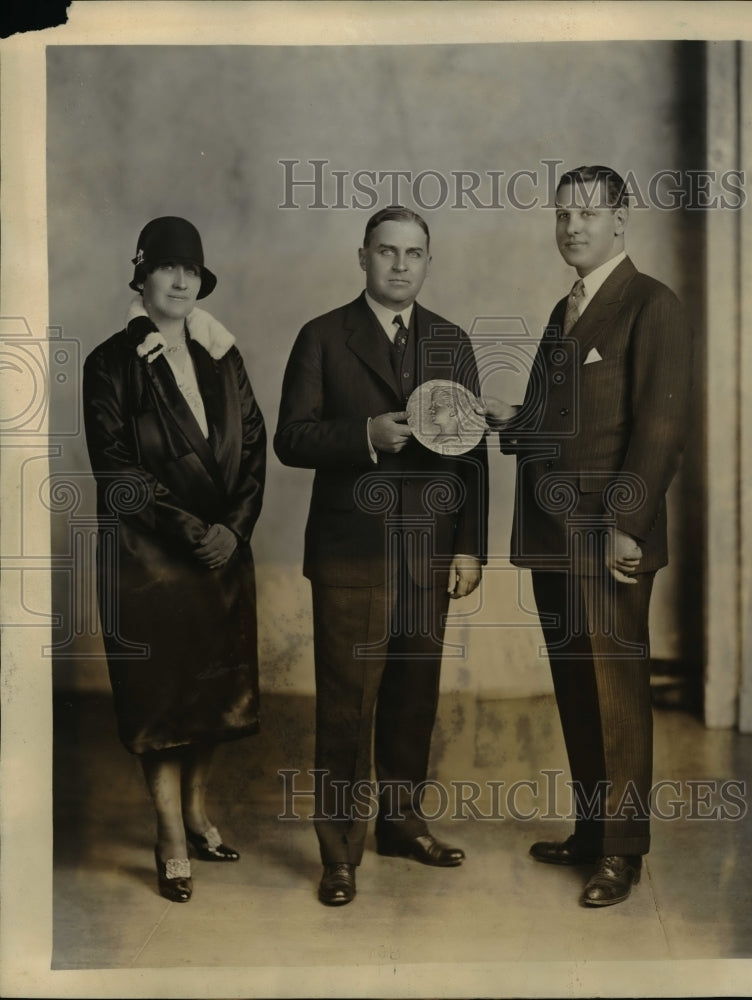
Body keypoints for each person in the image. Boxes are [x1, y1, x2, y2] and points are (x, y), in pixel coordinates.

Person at [480, 166, 692, 907]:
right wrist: (517, 421)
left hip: (607, 537)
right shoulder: (562, 308)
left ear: (619, 223)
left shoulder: (650, 304)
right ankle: (592, 829)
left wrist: (626, 528)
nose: (572, 226)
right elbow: (561, 420)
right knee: (576, 686)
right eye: (562, 213)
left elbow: (659, 430)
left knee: (616, 690)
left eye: (588, 214)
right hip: (550, 534)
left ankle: (622, 853)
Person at [274, 206, 488, 906]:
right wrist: (363, 434)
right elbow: (291, 438)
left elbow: (473, 459)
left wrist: (470, 550)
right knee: (344, 707)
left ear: (429, 262)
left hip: (428, 555)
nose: (400, 265)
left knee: (411, 699)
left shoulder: (451, 343)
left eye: (414, 254)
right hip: (350, 553)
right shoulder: (321, 336)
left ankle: (401, 822)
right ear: (361, 256)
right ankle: (340, 852)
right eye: (387, 252)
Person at [83, 217, 267, 903]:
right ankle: (166, 835)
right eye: (168, 267)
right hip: (149, 558)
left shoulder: (223, 356)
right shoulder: (110, 363)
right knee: (161, 703)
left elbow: (252, 445)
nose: (183, 279)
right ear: (142, 275)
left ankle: (195, 813)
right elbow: (115, 470)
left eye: (191, 269)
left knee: (214, 695)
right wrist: (191, 528)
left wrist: (234, 529)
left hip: (221, 552)